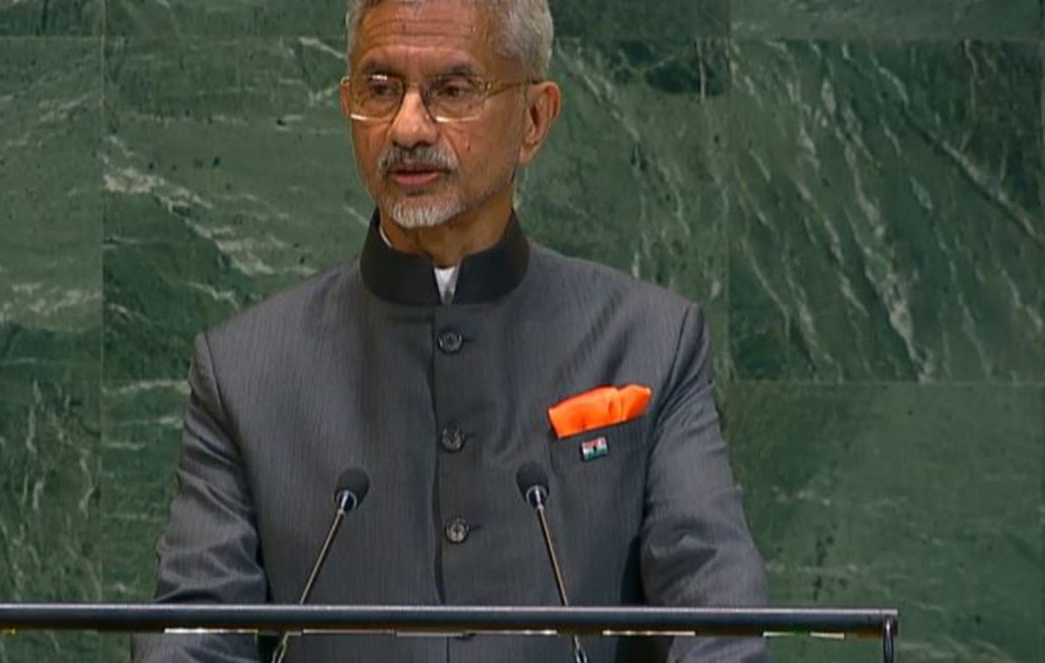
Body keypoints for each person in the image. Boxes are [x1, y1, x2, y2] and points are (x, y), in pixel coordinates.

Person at [134, 0, 768, 661]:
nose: (408, 126)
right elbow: (191, 642)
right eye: (380, 89)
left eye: (453, 89)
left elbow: (718, 623)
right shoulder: (245, 372)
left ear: (534, 119)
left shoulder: (650, 343)